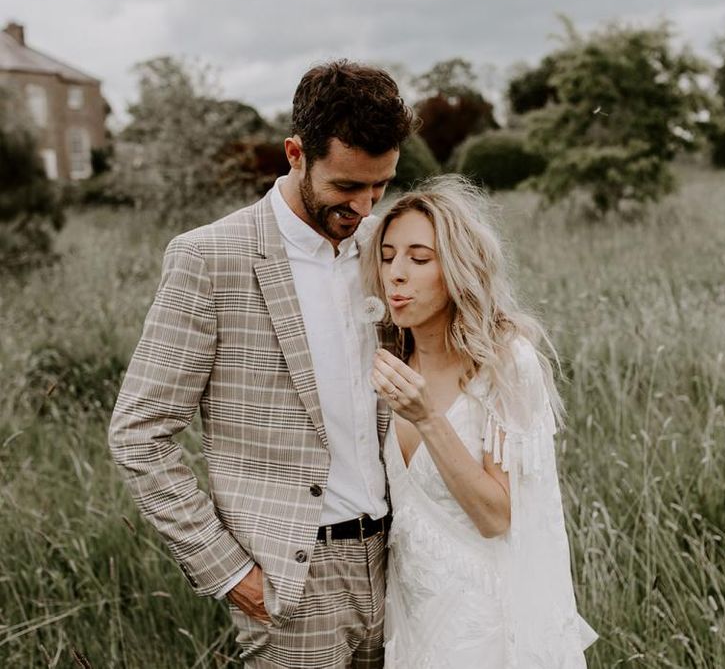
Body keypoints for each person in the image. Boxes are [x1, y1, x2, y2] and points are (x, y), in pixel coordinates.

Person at [108, 60, 413, 668]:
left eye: (380, 185)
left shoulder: (388, 246)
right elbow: (139, 434)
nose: (364, 205)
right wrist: (228, 572)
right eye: (347, 186)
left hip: (404, 563)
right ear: (296, 153)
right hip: (291, 583)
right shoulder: (208, 257)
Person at [365, 176, 598, 668]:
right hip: (410, 619)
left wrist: (429, 418)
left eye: (419, 258)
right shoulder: (389, 359)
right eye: (387, 256)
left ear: (457, 268)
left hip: (484, 626)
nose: (396, 275)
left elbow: (496, 516)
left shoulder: (505, 364)